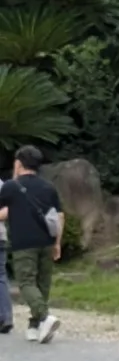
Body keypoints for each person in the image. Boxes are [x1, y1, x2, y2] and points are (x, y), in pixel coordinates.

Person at [0, 146, 63, 343]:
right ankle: (35, 327)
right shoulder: (48, 187)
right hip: (47, 241)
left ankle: (44, 317)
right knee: (42, 284)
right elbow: (59, 215)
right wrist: (57, 242)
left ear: (19, 163)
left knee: (26, 282)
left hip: (23, 243)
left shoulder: (11, 186)